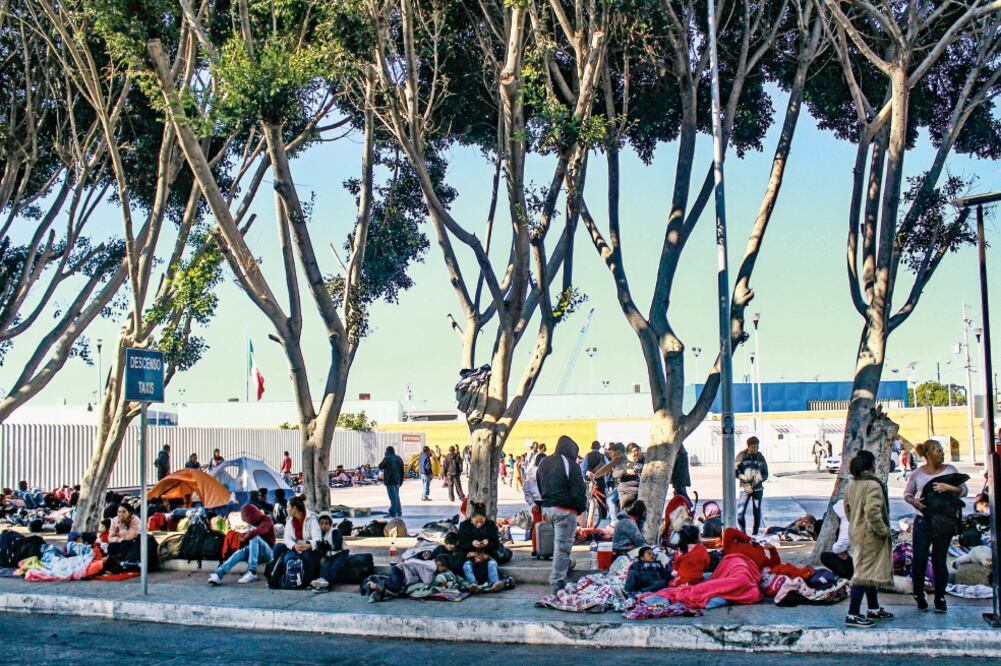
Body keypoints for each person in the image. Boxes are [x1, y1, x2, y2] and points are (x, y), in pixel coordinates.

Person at [903, 439, 968, 613]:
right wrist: (915, 503)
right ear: (928, 454)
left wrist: (948, 488)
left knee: (940, 559)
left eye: (941, 450)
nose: (942, 453)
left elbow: (964, 491)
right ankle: (919, 594)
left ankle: (940, 597)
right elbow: (907, 494)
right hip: (923, 521)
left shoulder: (950, 470)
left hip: (944, 521)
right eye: (938, 450)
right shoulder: (917, 474)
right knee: (920, 558)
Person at [844, 450, 894, 628]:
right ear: (871, 465)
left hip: (857, 532)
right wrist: (884, 531)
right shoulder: (873, 485)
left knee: (869, 573)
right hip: (870, 535)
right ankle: (852, 614)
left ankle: (873, 608)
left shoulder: (851, 484)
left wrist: (855, 524)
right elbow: (872, 513)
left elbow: (847, 509)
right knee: (862, 575)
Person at [537, 435, 587, 593]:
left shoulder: (544, 462)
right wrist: (579, 508)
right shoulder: (570, 464)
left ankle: (565, 565)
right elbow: (579, 490)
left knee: (559, 544)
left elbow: (539, 484)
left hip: (547, 508)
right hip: (565, 510)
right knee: (562, 547)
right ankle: (557, 582)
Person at [208, 503, 276, 585]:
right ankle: (218, 574)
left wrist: (246, 537)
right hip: (257, 553)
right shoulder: (253, 525)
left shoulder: (267, 520)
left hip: (269, 553)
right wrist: (242, 536)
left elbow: (257, 532)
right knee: (239, 553)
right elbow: (250, 534)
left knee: (254, 537)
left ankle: (252, 571)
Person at [270, 496, 321, 588]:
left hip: (308, 547)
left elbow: (317, 539)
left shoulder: (312, 519)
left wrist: (308, 544)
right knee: (277, 547)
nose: (287, 509)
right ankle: (276, 575)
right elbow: (287, 539)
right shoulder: (289, 520)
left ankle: (307, 580)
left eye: (288, 506)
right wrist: (294, 546)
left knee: (308, 556)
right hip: (294, 547)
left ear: (294, 508)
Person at [458, 502, 505, 591]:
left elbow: (496, 544)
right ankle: (473, 584)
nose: (479, 524)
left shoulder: (491, 525)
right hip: (470, 556)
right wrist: (471, 544)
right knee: (467, 566)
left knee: (492, 564)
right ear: (472, 518)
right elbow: (461, 544)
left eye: (482, 522)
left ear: (485, 519)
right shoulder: (464, 526)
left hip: (487, 555)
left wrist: (488, 543)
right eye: (476, 522)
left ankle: (494, 584)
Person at [735, 436, 768, 535]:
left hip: (758, 489)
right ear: (748, 446)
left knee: (757, 512)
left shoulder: (760, 457)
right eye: (753, 447)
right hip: (745, 489)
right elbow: (734, 471)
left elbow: (766, 474)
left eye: (757, 447)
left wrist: (759, 479)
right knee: (740, 512)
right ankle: (742, 533)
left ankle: (755, 533)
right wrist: (743, 477)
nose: (755, 449)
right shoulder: (741, 456)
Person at [311, 512, 349, 592]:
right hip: (331, 554)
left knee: (333, 567)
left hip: (342, 553)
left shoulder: (334, 531)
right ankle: (322, 581)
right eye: (322, 523)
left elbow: (338, 546)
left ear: (330, 524)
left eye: (326, 523)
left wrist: (328, 549)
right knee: (325, 565)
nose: (324, 526)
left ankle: (328, 586)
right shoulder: (321, 534)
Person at [819, 499, 853, 580]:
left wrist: (839, 551)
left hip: (855, 563)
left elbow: (838, 547)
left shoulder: (846, 525)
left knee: (824, 556)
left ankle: (847, 575)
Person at [378, 446, 405, 518]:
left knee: (393, 498)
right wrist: (401, 481)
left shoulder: (387, 458)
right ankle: (399, 511)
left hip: (390, 480)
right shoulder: (399, 458)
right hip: (397, 481)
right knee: (396, 497)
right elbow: (402, 470)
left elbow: (380, 466)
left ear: (387, 451)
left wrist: (385, 457)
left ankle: (393, 512)